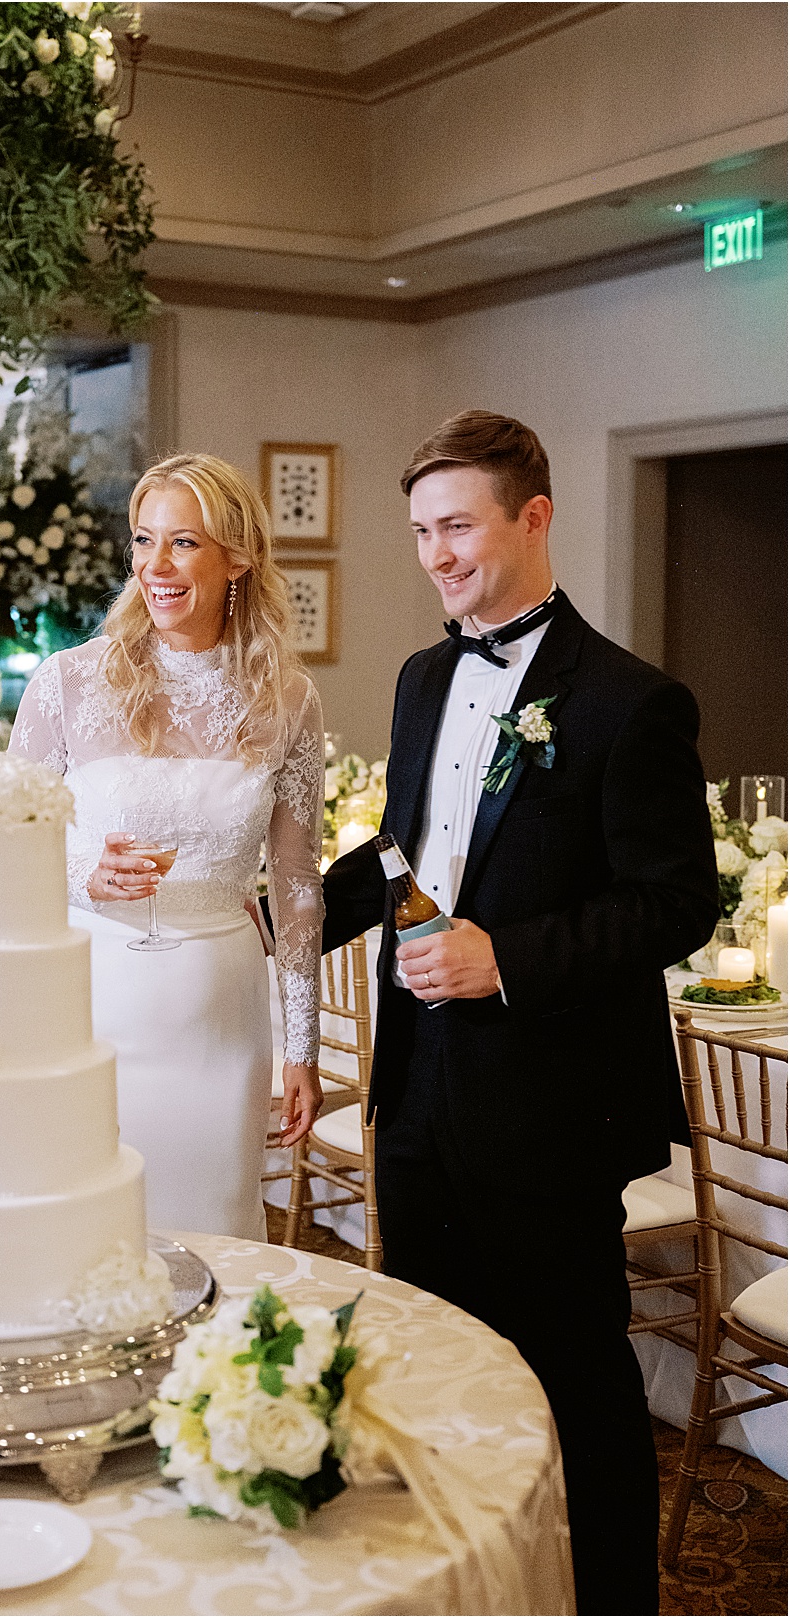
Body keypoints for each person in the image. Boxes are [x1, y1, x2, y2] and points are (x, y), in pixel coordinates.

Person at [304, 412, 718, 1615]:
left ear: (532, 517)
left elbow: (677, 902)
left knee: (575, 1384)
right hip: (419, 1085)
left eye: (458, 525)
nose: (436, 554)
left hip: (552, 1103)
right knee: (434, 1365)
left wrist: (511, 958)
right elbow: (409, 850)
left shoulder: (633, 704)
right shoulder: (425, 676)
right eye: (422, 531)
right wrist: (281, 917)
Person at [10, 453, 324, 1240]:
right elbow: (6, 844)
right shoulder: (67, 681)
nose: (156, 565)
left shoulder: (289, 697)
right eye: (144, 541)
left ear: (239, 557)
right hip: (92, 1003)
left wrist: (302, 1046)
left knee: (214, 1226)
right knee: (88, 1228)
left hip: (220, 1015)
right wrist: (84, 871)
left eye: (183, 543)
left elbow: (295, 882)